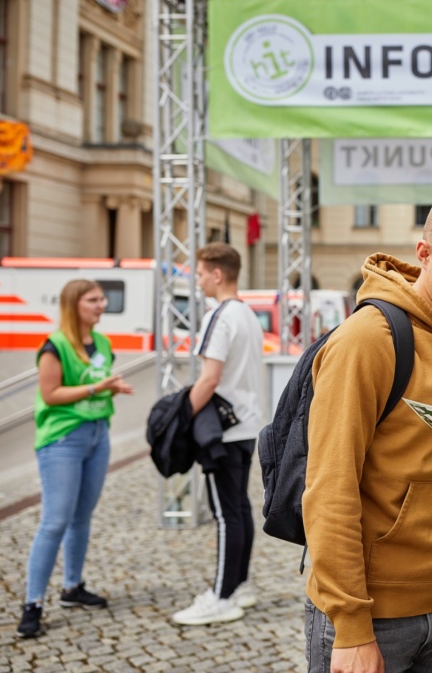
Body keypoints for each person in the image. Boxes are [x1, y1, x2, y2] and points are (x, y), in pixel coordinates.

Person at [301, 185, 432, 673]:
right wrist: (352, 625)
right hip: (370, 615)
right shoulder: (366, 341)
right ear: (423, 253)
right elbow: (330, 488)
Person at [17, 280, 134, 638]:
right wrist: (100, 387)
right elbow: (50, 394)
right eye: (94, 300)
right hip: (62, 440)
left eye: (102, 299)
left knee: (82, 517)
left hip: (97, 435)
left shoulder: (102, 342)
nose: (102, 305)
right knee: (55, 521)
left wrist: (108, 389)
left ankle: (72, 587)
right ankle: (32, 603)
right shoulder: (55, 346)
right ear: (74, 305)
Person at [171, 243, 264, 626]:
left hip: (222, 431)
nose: (198, 279)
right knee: (238, 508)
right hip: (245, 425)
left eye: (200, 272)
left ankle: (222, 595)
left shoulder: (220, 315)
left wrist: (179, 418)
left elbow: (209, 378)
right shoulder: (247, 314)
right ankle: (238, 586)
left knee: (227, 514)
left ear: (217, 274)